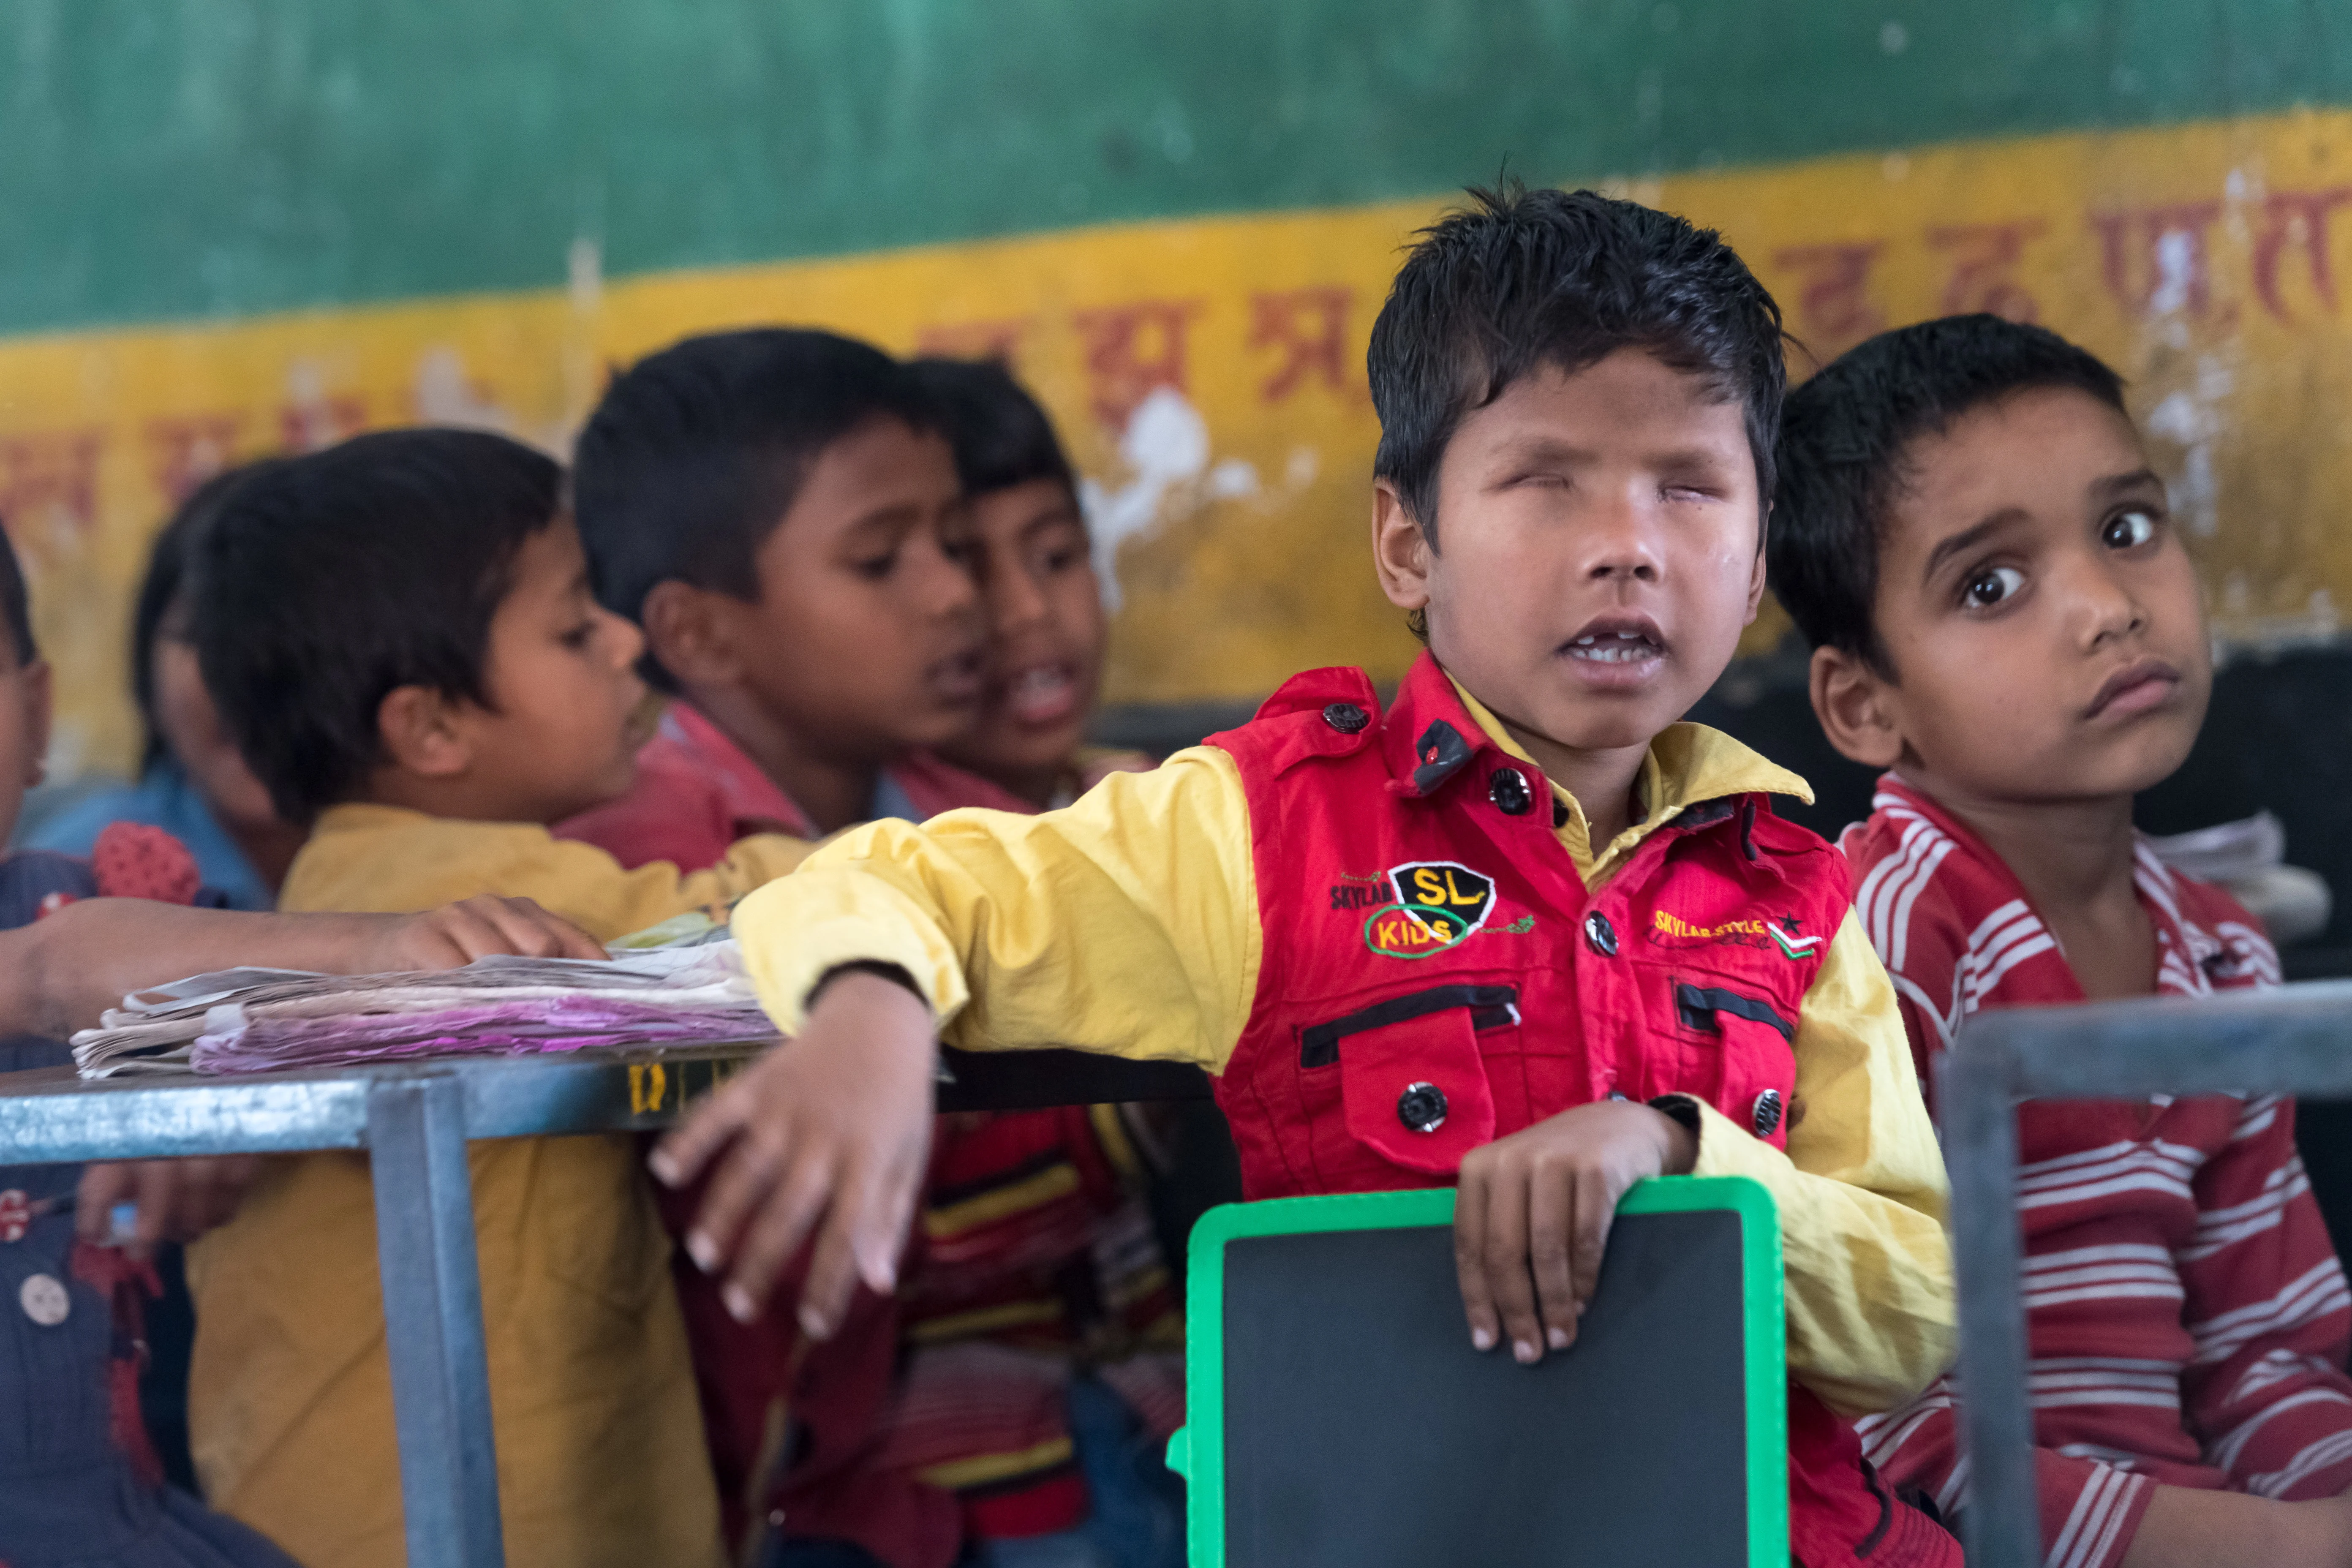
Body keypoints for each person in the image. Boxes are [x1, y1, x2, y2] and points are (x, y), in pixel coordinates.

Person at [654, 184, 1963, 1566]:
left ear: (1753, 558)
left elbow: (1912, 1310)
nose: (1624, 543)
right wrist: (870, 1005)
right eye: (1544, 481)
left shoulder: (1797, 891)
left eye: (1686, 487)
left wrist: (1679, 1152)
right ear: (1408, 544)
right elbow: (895, 881)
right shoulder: (1264, 831)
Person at [566, 333, 1181, 1568]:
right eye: (880, 559)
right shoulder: (644, 853)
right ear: (703, 633)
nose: (963, 596)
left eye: (948, 545)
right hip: (792, 1488)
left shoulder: (951, 800)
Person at [1770, 314, 2352, 1568]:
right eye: (1989, 583)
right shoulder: (1866, 946)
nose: (2103, 607)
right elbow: (1883, 1431)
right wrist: (2291, 1547)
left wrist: (2323, 1514)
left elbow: (2263, 1346)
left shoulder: (2218, 955)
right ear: (1861, 703)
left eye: (2126, 528)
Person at [178, 429, 811, 1568]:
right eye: (575, 627)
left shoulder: (352, 883)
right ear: (429, 729)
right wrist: (960, 870)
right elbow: (749, 925)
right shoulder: (480, 904)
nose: (623, 641)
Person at [0, 514, 604, 1568]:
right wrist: (372, 949)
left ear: (38, 708)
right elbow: (54, 973)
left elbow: (213, 1004)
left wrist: (224, 1079)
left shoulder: (101, 904)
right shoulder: (63, 948)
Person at [30, 462, 305, 909]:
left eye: (298, 637)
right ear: (146, 668)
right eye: (208, 637)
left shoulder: (447, 861)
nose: (254, 676)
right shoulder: (72, 875)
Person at [904, 357, 1153, 808]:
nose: (1029, 609)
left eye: (1056, 558)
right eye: (972, 574)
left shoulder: (1139, 802)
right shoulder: (869, 859)